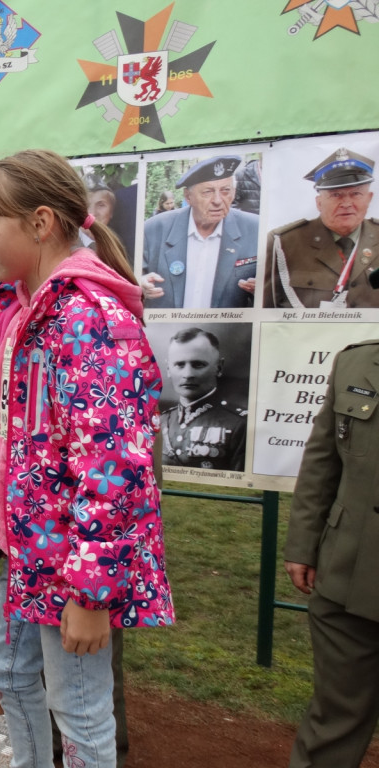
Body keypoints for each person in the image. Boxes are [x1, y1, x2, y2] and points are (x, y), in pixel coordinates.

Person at [0, 149, 174, 767]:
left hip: (72, 563)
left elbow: (116, 470)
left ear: (41, 222)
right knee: (5, 670)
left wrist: (89, 594)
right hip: (27, 549)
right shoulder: (17, 312)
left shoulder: (90, 319)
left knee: (80, 710)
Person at [283, 338, 379, 768]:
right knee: (335, 721)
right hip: (348, 577)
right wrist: (303, 545)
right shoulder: (356, 362)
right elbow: (323, 461)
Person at [264, 148, 378, 309]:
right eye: (336, 195)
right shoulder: (284, 243)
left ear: (369, 199)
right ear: (319, 202)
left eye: (356, 194)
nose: (346, 203)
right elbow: (267, 310)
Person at [141, 155, 258, 308]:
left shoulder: (255, 228)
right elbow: (128, 278)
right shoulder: (153, 229)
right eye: (207, 192)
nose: (217, 200)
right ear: (188, 197)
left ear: (234, 192)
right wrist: (140, 284)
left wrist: (262, 291)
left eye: (225, 191)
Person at [160, 327, 246, 472]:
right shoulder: (162, 420)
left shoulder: (239, 424)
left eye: (198, 365)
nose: (188, 374)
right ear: (168, 369)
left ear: (219, 367)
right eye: (179, 365)